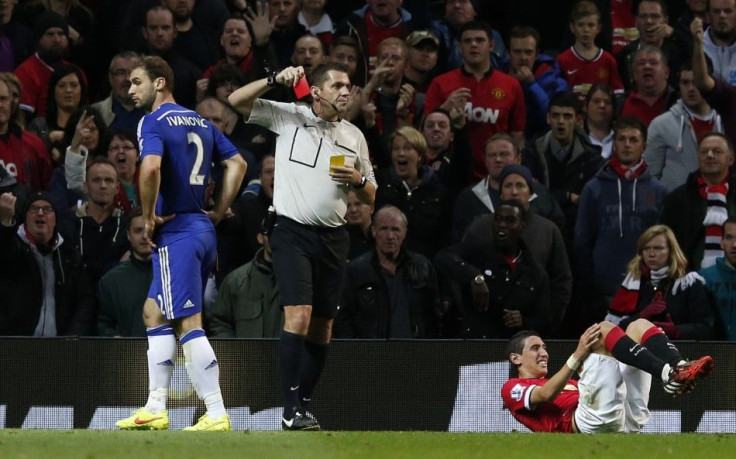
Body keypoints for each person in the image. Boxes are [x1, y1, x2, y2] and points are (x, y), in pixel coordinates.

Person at [228, 62, 376, 430]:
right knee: (299, 315)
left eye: (348, 85)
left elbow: (371, 196)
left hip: (334, 237)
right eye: (337, 85)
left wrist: (358, 179)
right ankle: (291, 407)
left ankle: (302, 404)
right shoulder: (288, 117)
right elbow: (235, 100)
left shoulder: (354, 136)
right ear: (317, 92)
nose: (346, 91)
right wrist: (274, 80)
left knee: (324, 326)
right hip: (291, 232)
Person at [115, 56, 246, 432]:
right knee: (154, 312)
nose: (130, 89)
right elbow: (236, 163)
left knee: (189, 321)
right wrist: (219, 210)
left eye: (137, 81)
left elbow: (151, 167)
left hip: (177, 233)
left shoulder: (152, 121)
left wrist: (148, 216)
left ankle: (217, 411)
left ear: (159, 83)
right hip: (201, 229)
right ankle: (155, 405)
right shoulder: (200, 121)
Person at [502, 322, 714, 433]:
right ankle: (668, 375)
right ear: (515, 358)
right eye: (535, 348)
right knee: (601, 330)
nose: (544, 353)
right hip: (586, 426)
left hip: (625, 420)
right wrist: (578, 356)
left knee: (638, 326)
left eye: (544, 347)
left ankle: (677, 367)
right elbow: (546, 394)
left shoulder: (571, 384)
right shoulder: (512, 387)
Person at [575, 117, 668, 309]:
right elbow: (582, 241)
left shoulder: (659, 191)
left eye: (633, 140)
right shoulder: (593, 188)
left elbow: (666, 244)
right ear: (614, 144)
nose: (627, 145)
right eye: (621, 139)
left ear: (644, 146)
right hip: (602, 289)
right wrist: (589, 283)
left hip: (648, 287)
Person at [424, 20, 526, 180]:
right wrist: (445, 108)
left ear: (491, 45)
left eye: (479, 40)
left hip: (496, 173)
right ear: (459, 47)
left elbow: (517, 135)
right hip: (450, 174)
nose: (473, 45)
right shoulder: (440, 83)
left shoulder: (511, 85)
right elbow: (426, 131)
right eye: (467, 41)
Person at [435, 200, 552, 338]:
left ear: (522, 227)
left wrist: (523, 321)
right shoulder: (477, 254)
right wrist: (474, 277)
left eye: (510, 220)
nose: (502, 225)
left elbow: (545, 323)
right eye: (498, 219)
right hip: (476, 345)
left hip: (514, 348)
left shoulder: (536, 273)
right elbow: (442, 258)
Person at [335, 205, 441, 339]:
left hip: (415, 354)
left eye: (395, 229)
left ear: (404, 233)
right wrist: (358, 353)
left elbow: (434, 316)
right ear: (374, 231)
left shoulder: (423, 267)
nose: (390, 236)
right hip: (372, 355)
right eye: (384, 229)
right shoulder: (356, 270)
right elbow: (343, 318)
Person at [0, 191, 96, 336]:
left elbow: (85, 300)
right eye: (34, 208)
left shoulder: (69, 256)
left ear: (55, 219)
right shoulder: (13, 248)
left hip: (60, 348)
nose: (40, 213)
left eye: (47, 209)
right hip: (16, 345)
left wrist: (73, 335)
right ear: (25, 218)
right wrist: (5, 221)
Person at [606, 224, 715, 340]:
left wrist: (676, 331)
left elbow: (706, 327)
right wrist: (641, 316)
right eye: (646, 248)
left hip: (681, 351)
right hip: (639, 351)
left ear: (671, 251)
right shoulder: (632, 283)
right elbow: (615, 329)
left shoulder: (689, 283)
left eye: (658, 248)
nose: (651, 254)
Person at [452, 134, 566, 242]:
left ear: (518, 159)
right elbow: (458, 240)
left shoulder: (541, 194)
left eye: (504, 154)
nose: (498, 159)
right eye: (492, 155)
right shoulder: (469, 197)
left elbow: (557, 233)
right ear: (486, 162)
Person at [522, 91, 604, 239]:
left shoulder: (593, 159)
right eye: (555, 115)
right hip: (539, 230)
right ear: (548, 118)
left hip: (577, 231)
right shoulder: (531, 154)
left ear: (578, 120)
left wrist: (550, 194)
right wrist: (567, 196)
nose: (561, 121)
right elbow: (530, 197)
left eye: (567, 116)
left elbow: (588, 202)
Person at [660, 132, 736, 270]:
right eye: (704, 152)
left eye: (717, 151)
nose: (710, 155)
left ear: (731, 159)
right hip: (689, 281)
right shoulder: (677, 199)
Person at [374, 126, 452, 258]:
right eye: (396, 149)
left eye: (407, 148)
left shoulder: (438, 191)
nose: (401, 153)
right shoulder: (379, 184)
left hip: (424, 264)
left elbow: (444, 237)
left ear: (420, 155)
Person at [644, 64, 724, 192]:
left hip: (720, 205)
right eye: (685, 83)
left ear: (708, 82)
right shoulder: (661, 125)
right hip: (675, 207)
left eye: (696, 82)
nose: (691, 88)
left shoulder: (727, 121)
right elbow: (649, 176)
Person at [210, 218, 283, 338]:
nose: (276, 238)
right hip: (246, 355)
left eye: (281, 233)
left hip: (288, 356)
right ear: (260, 237)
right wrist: (235, 354)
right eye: (270, 233)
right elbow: (220, 323)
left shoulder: (304, 282)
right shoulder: (236, 281)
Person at [503, 26, 569, 138]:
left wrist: (531, 85)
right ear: (508, 53)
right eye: (517, 52)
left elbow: (554, 121)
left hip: (540, 143)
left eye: (528, 52)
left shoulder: (555, 80)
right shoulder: (496, 76)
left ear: (537, 53)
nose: (523, 57)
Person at [97, 207, 152, 337]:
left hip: (170, 355)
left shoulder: (174, 276)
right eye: (138, 231)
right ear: (128, 235)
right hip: (128, 355)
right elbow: (103, 324)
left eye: (149, 230)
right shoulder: (111, 281)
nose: (145, 236)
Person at [556, 0, 624, 101]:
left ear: (598, 28)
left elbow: (618, 93)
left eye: (591, 25)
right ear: (572, 27)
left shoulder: (608, 60)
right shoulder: (562, 60)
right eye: (581, 25)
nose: (586, 30)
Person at [13, 11, 73, 121]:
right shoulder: (25, 72)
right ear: (38, 39)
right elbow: (23, 120)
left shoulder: (75, 72)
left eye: (61, 34)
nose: (57, 40)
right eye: (50, 34)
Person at [616, 0, 685, 91]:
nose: (649, 21)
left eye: (655, 16)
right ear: (636, 22)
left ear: (666, 21)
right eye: (643, 16)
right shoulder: (624, 56)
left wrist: (674, 34)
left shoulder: (678, 54)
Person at [0, 77, 51, 195]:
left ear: (10, 103)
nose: (0, 105)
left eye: (3, 99)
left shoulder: (34, 144)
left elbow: (47, 191)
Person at [618, 45, 677, 128]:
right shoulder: (619, 104)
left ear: (666, 72)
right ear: (634, 74)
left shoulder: (678, 102)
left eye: (653, 63)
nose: (647, 67)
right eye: (641, 63)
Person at [90, 51, 146, 133]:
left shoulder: (158, 113)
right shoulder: (95, 113)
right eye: (121, 73)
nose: (127, 78)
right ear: (110, 78)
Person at [699, 216, 736, 340]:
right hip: (716, 353)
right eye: (729, 238)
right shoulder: (703, 278)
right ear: (721, 242)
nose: (735, 245)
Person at [702, 0, 736, 86]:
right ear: (707, 16)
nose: (722, 16)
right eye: (716, 11)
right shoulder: (696, 46)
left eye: (728, 11)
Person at [583, 83, 615, 159]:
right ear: (585, 106)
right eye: (596, 101)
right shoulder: (576, 137)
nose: (602, 105)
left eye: (607, 102)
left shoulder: (621, 137)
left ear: (613, 109)